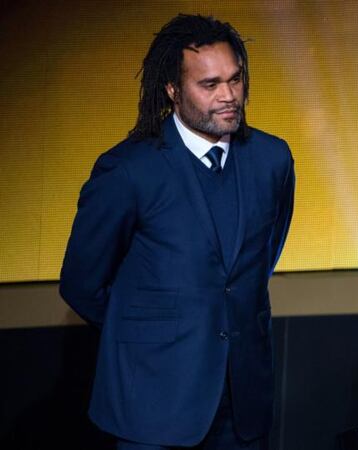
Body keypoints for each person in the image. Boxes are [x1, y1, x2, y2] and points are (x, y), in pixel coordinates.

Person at [59, 14, 294, 449]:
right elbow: (82, 284)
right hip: (153, 404)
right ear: (172, 90)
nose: (228, 96)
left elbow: (261, 257)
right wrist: (153, 331)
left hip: (243, 404)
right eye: (210, 85)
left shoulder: (272, 159)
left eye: (235, 79)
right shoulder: (128, 170)